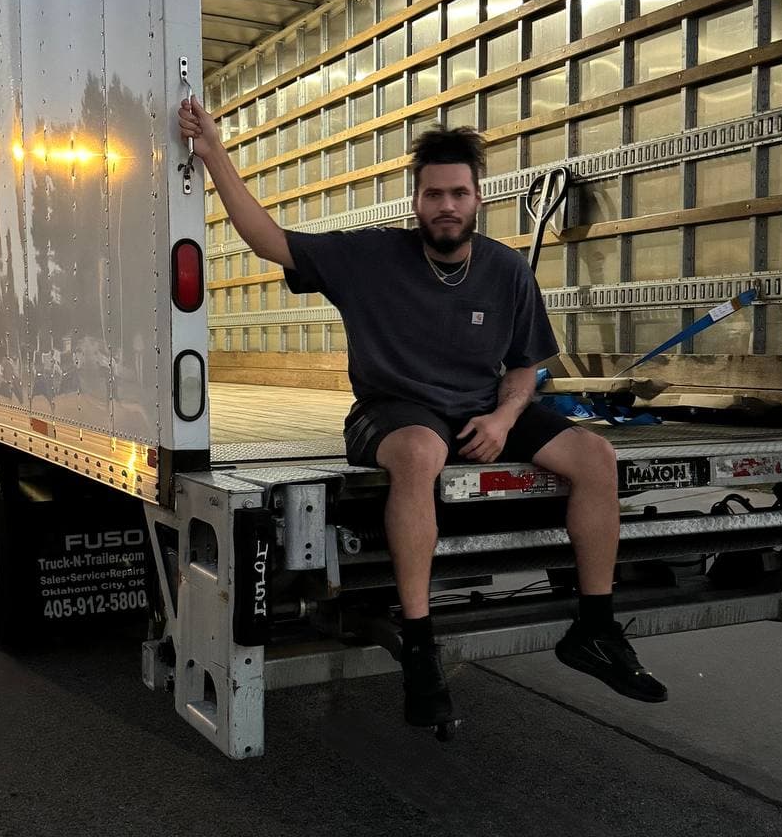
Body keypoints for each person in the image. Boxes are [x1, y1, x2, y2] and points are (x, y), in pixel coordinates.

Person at [178, 99, 667, 726]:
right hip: (394, 410)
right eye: (434, 193)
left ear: (477, 199)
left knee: (596, 456)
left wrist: (503, 419)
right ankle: (418, 642)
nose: (447, 205)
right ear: (416, 201)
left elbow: (525, 368)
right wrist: (214, 151)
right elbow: (267, 239)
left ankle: (595, 628)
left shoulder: (506, 269)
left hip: (481, 409)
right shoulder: (372, 258)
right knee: (419, 454)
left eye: (459, 193)